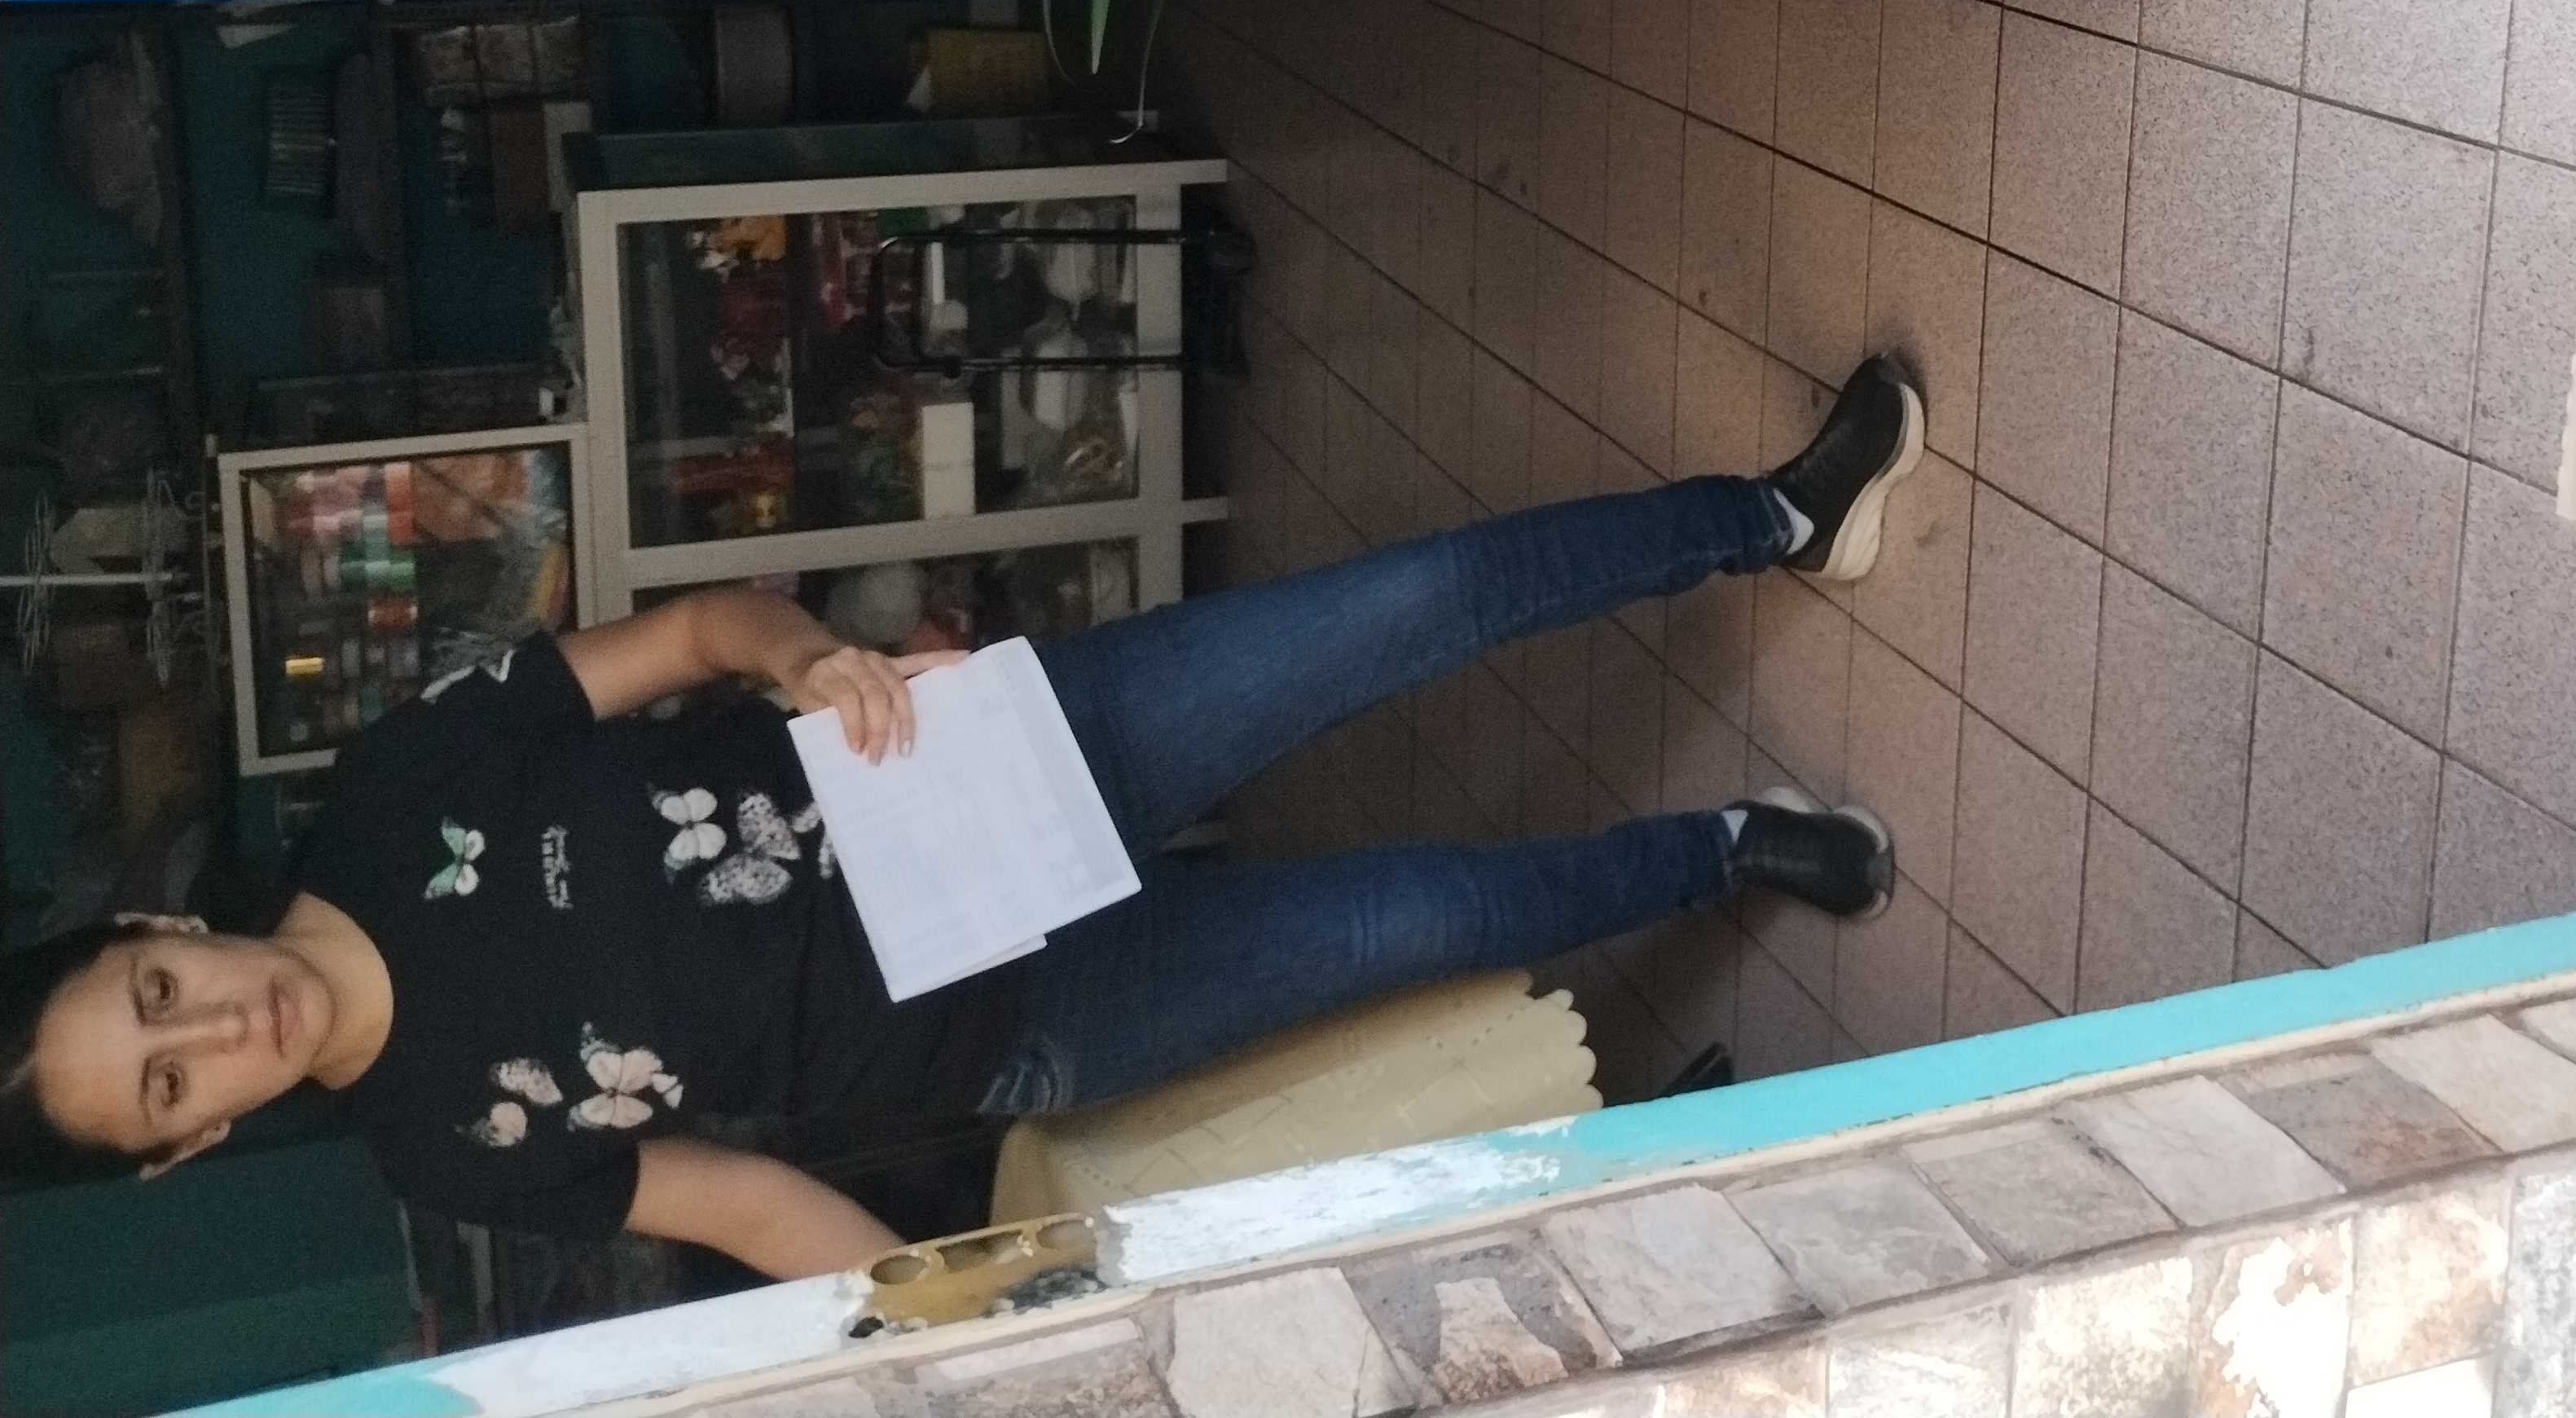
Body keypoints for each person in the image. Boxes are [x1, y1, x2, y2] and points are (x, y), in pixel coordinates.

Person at [0, 358, 1923, 1279]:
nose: (213, 1032)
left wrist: (804, 657)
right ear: (194, 1145)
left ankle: (1773, 517)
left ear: (158, 936)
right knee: (1421, 922)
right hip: (1020, 1024)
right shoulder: (447, 1149)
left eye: (156, 1002)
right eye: (169, 1086)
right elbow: (740, 1200)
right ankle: (1724, 850)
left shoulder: (392, 791)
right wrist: (944, 1317)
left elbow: (692, 637)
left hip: (991, 767)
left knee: (1404, 606)